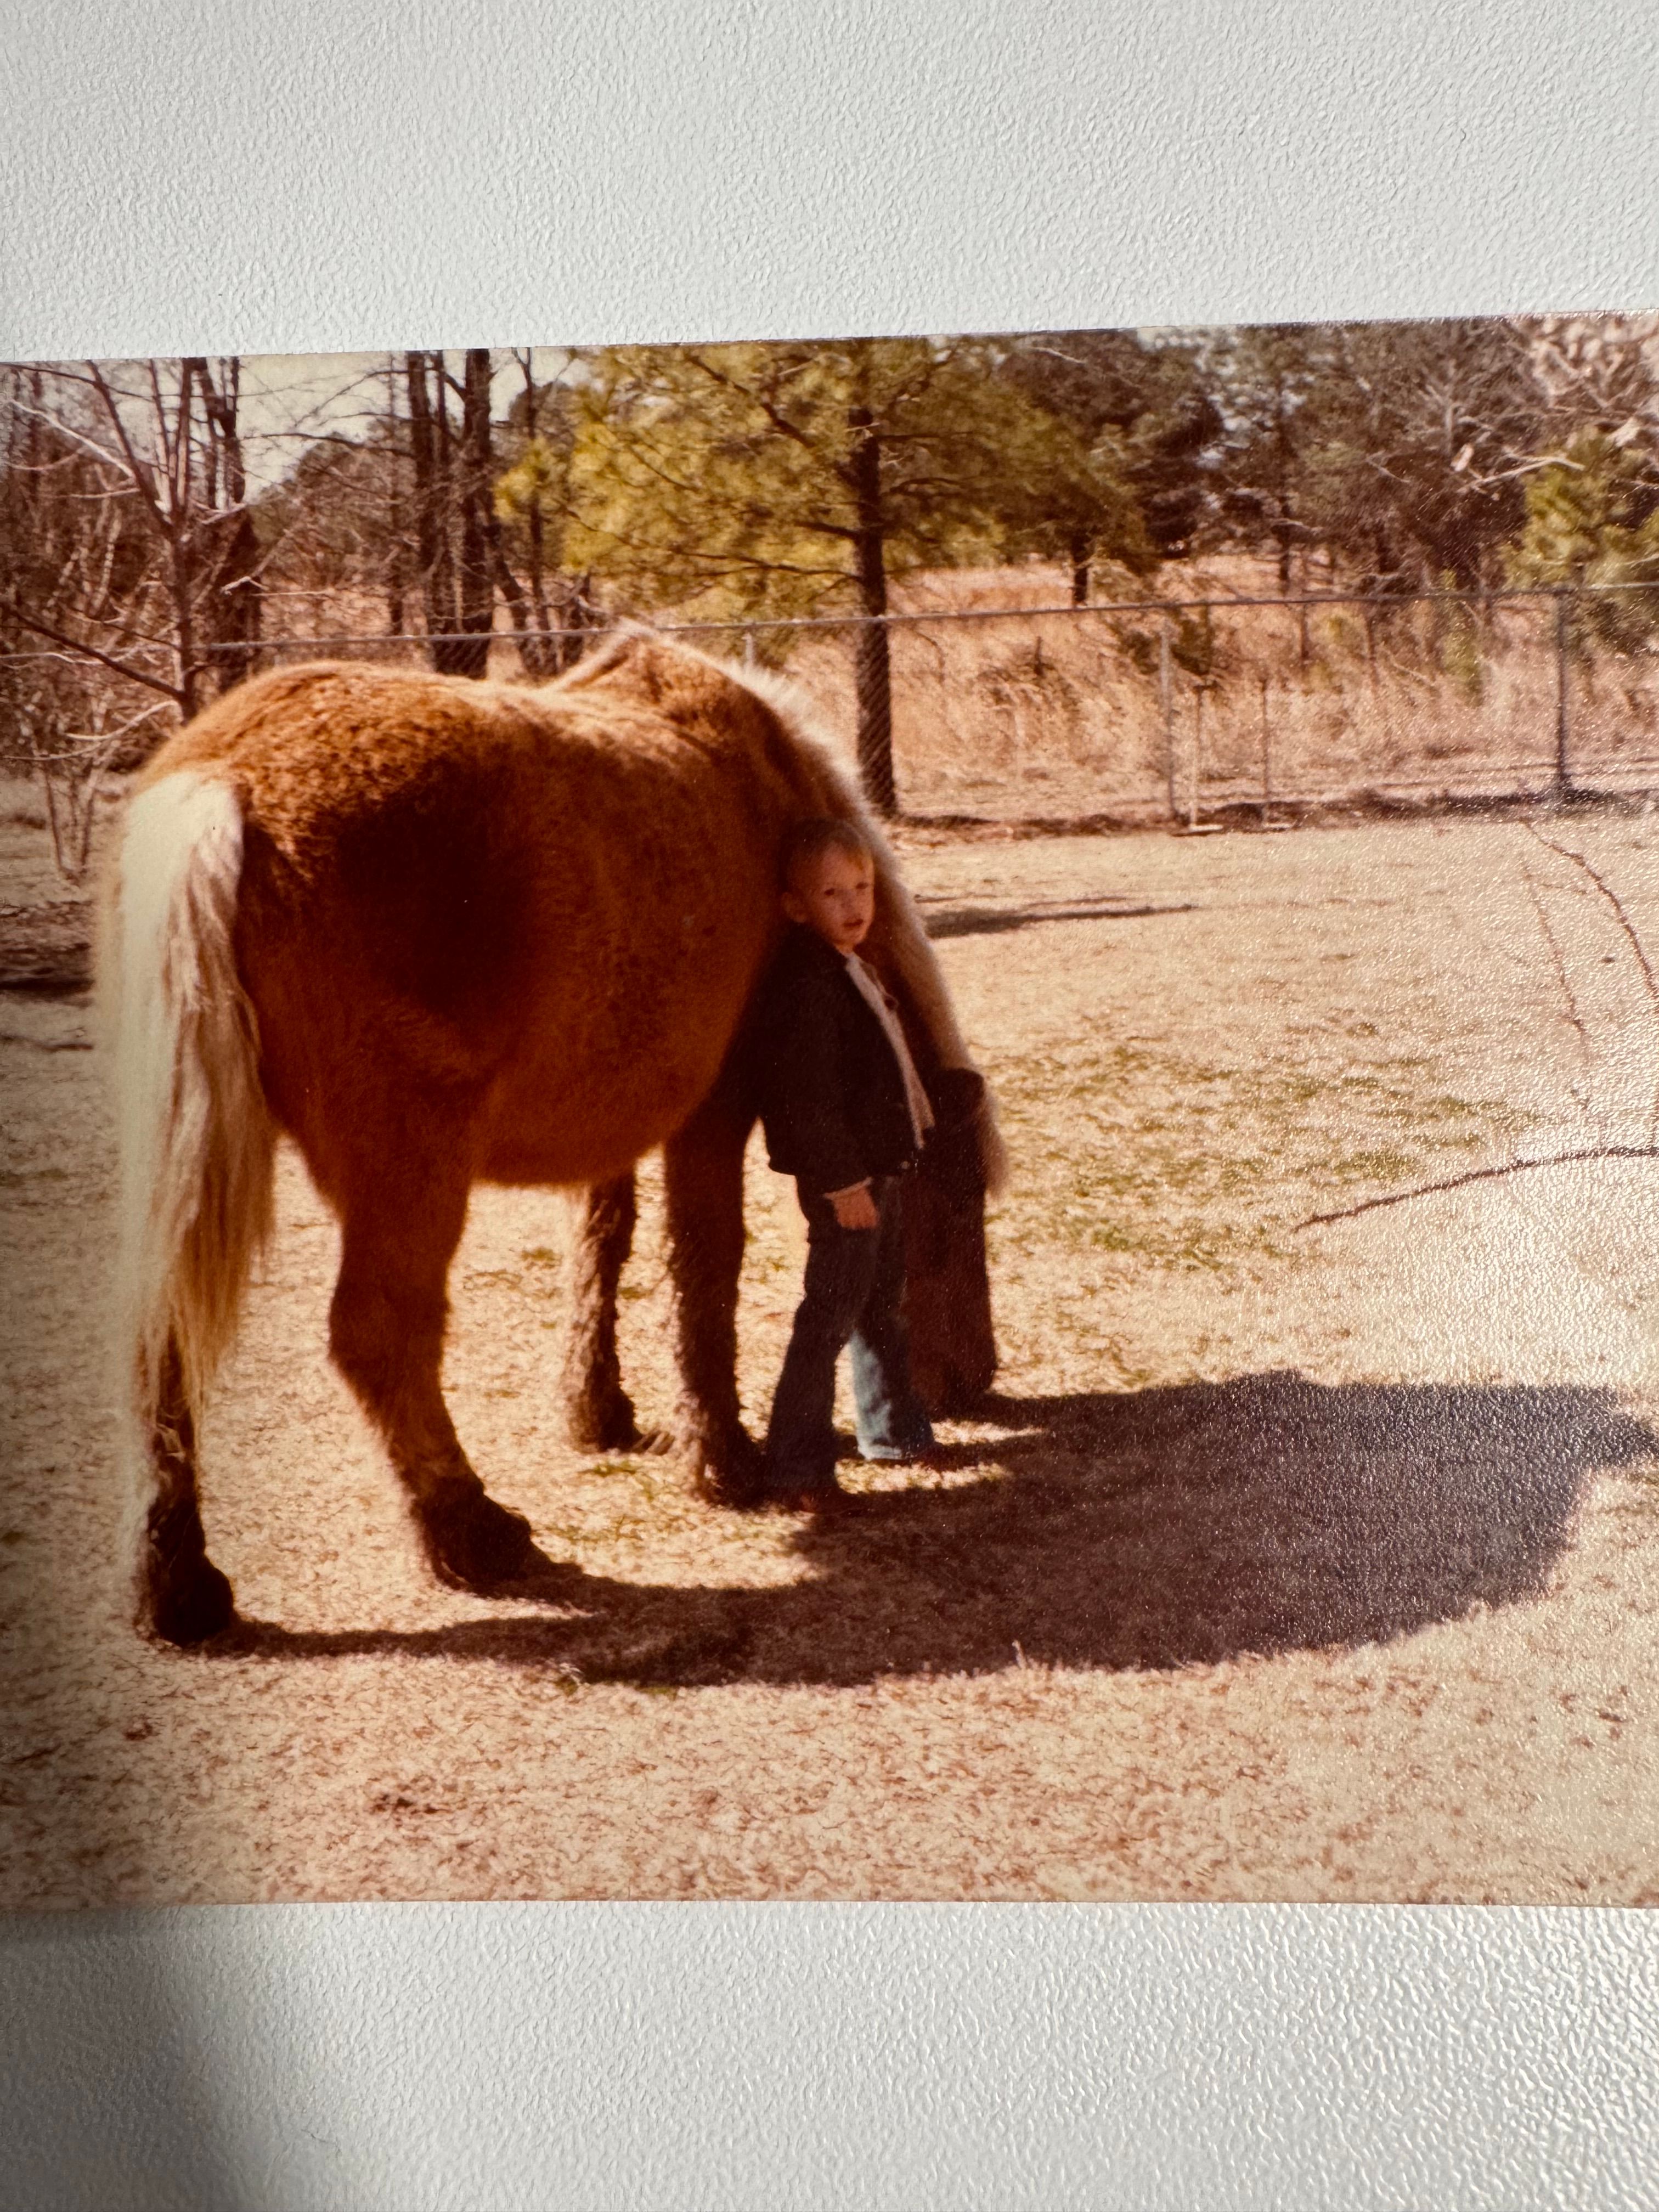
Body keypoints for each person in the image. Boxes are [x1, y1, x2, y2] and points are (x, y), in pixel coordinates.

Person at [752, 816, 939, 1511]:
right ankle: (796, 1466)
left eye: (861, 888)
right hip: (849, 1184)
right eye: (831, 894)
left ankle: (892, 1431)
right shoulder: (806, 985)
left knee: (881, 1306)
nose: (854, 906)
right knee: (829, 1315)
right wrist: (843, 1185)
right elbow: (806, 1100)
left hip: (880, 1169)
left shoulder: (846, 967)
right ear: (796, 906)